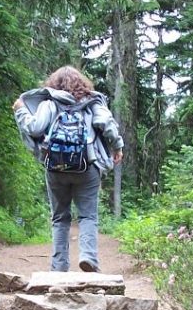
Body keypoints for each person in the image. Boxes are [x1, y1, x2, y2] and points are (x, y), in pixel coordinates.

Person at [13, 66, 124, 273]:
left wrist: (20, 109)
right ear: (82, 83)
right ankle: (88, 258)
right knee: (88, 216)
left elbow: (34, 128)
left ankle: (59, 267)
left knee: (59, 218)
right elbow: (106, 123)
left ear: (53, 83)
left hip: (55, 167)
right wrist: (117, 147)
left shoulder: (49, 103)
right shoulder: (92, 102)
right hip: (87, 166)